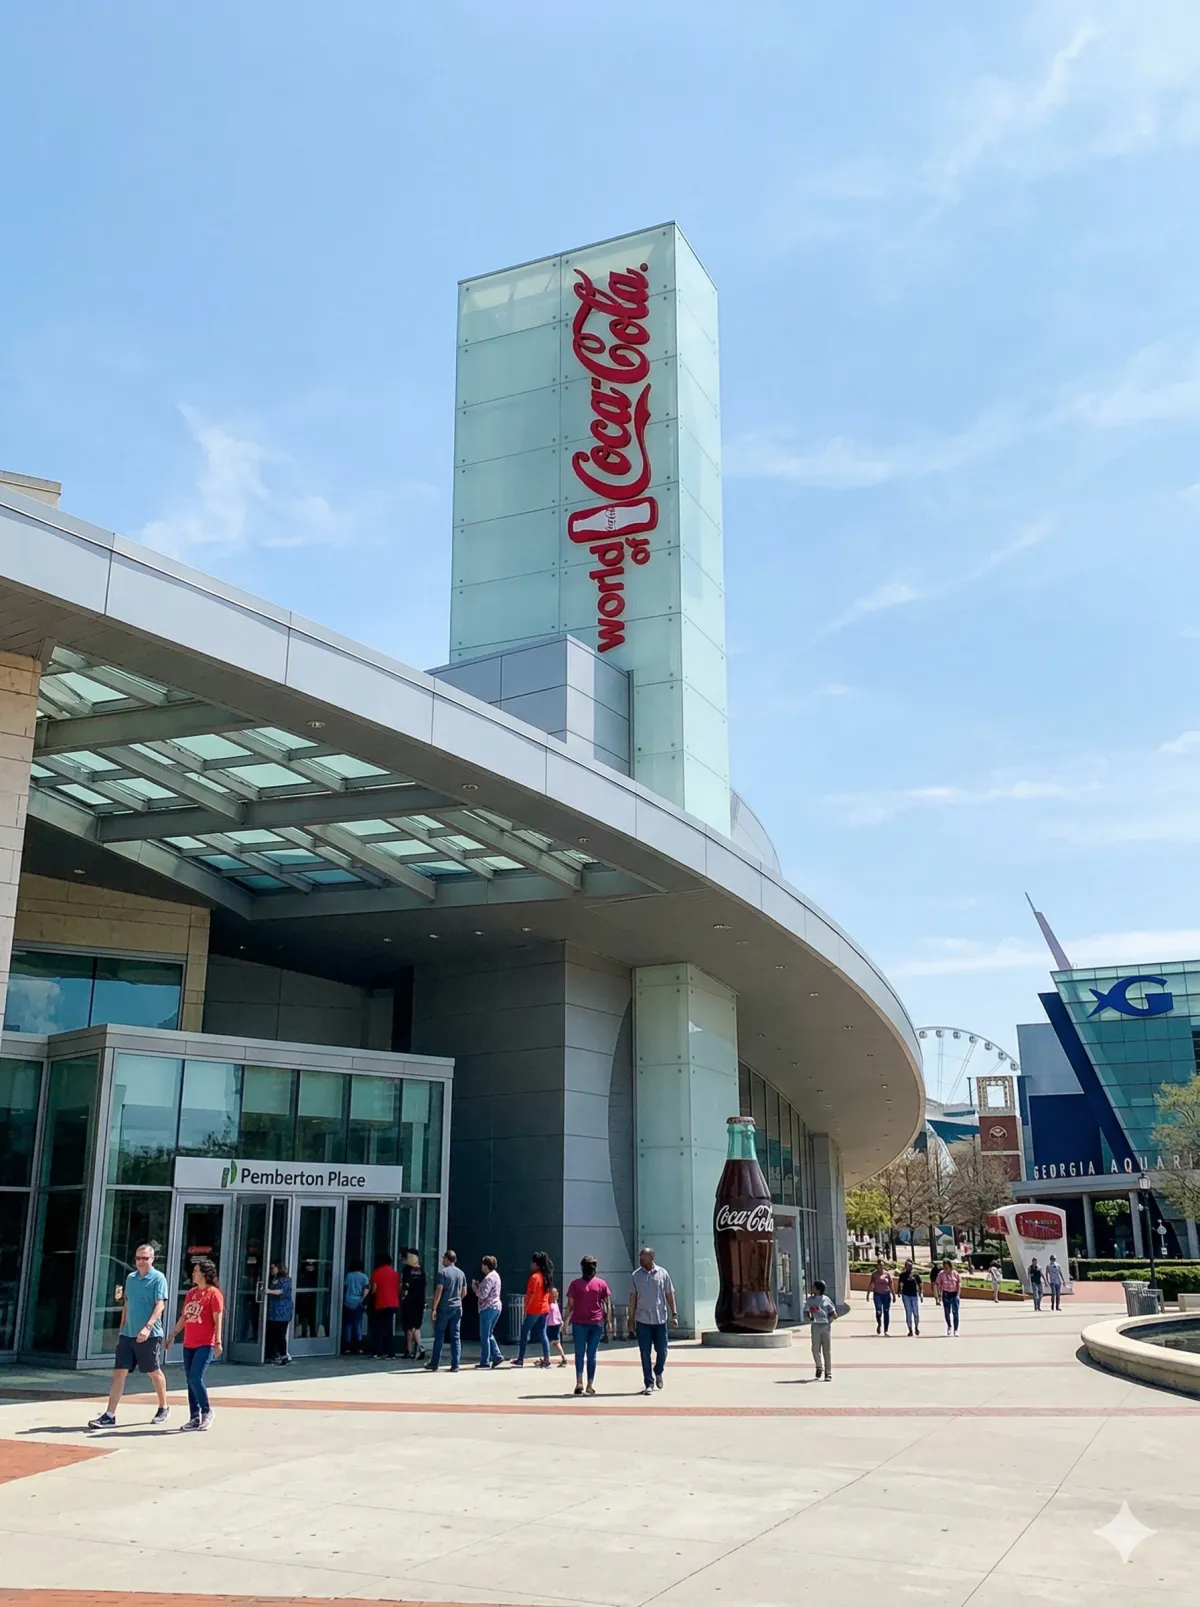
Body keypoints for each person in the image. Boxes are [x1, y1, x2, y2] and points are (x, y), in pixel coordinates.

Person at [88, 1243, 170, 1429]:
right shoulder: (131, 1278)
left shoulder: (158, 1278)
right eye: (138, 1258)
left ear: (152, 1259)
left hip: (149, 1335)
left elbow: (160, 1305)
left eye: (145, 1258)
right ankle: (109, 1415)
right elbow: (127, 1304)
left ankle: (163, 1406)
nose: (141, 1262)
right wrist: (122, 1328)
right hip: (128, 1334)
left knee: (153, 1371)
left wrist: (148, 1327)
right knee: (119, 1373)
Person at [165, 1256, 224, 1431]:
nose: (193, 1273)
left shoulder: (214, 1294)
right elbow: (185, 1317)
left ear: (205, 1274)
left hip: (205, 1343)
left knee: (195, 1377)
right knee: (190, 1380)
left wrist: (218, 1342)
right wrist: (173, 1334)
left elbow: (218, 1320)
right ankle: (194, 1417)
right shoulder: (192, 1293)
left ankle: (207, 1411)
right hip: (189, 1342)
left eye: (196, 1270)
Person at [628, 1246, 677, 1395]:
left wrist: (674, 1314)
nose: (640, 1259)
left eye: (643, 1257)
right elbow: (632, 1299)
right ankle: (648, 1382)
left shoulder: (663, 1273)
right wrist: (631, 1320)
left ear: (651, 1258)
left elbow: (670, 1294)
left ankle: (658, 1370)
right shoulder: (636, 1276)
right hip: (642, 1320)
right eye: (640, 1256)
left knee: (662, 1351)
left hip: (660, 1319)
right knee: (644, 1353)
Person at [565, 1255, 611, 1396]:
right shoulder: (601, 1283)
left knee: (581, 1353)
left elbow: (570, 1306)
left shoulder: (575, 1284)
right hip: (593, 1322)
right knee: (591, 1354)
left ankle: (581, 1382)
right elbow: (608, 1304)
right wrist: (608, 1321)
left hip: (584, 1323)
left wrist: (565, 1322)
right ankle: (588, 1384)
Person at [426, 1249, 466, 1371]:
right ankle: (455, 1364)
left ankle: (434, 1362)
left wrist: (434, 1308)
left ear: (448, 1259)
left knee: (439, 1335)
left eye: (444, 1258)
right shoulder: (461, 1273)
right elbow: (464, 1292)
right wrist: (457, 1299)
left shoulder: (443, 1273)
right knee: (455, 1336)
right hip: (457, 1307)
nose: (442, 1260)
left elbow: (439, 1291)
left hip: (444, 1307)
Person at [513, 1250, 554, 1368]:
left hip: (534, 1309)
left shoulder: (534, 1278)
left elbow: (530, 1295)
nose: (531, 1264)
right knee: (543, 1333)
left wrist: (525, 1308)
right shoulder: (547, 1277)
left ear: (537, 1264)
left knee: (524, 1332)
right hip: (544, 1309)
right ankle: (547, 1360)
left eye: (532, 1263)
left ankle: (520, 1358)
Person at [472, 1254, 504, 1368]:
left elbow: (483, 1294)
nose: (481, 1266)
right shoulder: (496, 1276)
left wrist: (475, 1288)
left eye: (483, 1264)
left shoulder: (489, 1277)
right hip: (496, 1307)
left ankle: (485, 1361)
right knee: (489, 1333)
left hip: (488, 1308)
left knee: (484, 1335)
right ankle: (497, 1356)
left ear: (486, 1266)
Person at [803, 1277, 837, 1380]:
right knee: (815, 1349)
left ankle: (828, 1373)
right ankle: (819, 1366)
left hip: (825, 1326)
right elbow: (806, 1311)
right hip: (815, 1326)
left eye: (813, 1287)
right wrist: (809, 1317)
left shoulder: (826, 1299)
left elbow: (834, 1313)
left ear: (818, 1289)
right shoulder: (810, 1300)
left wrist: (829, 1320)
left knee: (827, 1350)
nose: (812, 1289)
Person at [369, 1251, 401, 1360]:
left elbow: (374, 1289)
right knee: (389, 1328)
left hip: (381, 1303)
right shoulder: (395, 1273)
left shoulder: (376, 1272)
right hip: (393, 1303)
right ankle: (391, 1352)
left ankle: (379, 1351)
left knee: (378, 1328)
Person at [401, 1249, 427, 1360]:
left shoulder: (406, 1270)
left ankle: (411, 1350)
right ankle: (417, 1349)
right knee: (416, 1326)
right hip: (420, 1301)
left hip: (409, 1301)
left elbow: (405, 1286)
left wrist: (402, 1296)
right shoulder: (422, 1271)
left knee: (408, 1327)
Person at [265, 1262, 293, 1364]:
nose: (272, 1270)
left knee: (280, 1334)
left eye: (273, 1268)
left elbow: (282, 1291)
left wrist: (269, 1291)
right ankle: (271, 1354)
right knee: (271, 1333)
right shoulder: (272, 1279)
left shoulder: (286, 1279)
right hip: (273, 1311)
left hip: (283, 1311)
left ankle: (284, 1355)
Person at [342, 1259, 370, 1355]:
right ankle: (359, 1347)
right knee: (357, 1324)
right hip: (359, 1302)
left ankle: (347, 1347)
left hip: (348, 1301)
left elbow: (345, 1288)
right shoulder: (364, 1277)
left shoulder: (348, 1276)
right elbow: (366, 1289)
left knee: (348, 1325)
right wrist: (363, 1300)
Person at [934, 1257, 962, 1336]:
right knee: (947, 1312)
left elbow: (959, 1283)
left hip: (954, 1294)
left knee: (955, 1313)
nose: (946, 1269)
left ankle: (956, 1329)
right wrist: (938, 1295)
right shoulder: (941, 1274)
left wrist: (958, 1295)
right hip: (946, 1294)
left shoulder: (955, 1274)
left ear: (950, 1266)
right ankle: (949, 1326)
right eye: (944, 1267)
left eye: (947, 1267)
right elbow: (938, 1284)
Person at [868, 1258, 894, 1336]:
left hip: (886, 1294)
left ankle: (886, 1330)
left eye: (882, 1265)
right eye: (879, 1265)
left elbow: (891, 1285)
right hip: (877, 1294)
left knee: (886, 1312)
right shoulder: (874, 1274)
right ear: (877, 1266)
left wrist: (894, 1295)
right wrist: (868, 1294)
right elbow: (871, 1284)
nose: (880, 1267)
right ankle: (879, 1323)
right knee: (878, 1310)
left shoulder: (887, 1274)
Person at [897, 1259, 922, 1337]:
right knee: (908, 1312)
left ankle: (916, 1327)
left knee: (916, 1313)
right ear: (905, 1266)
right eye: (908, 1266)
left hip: (914, 1295)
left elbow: (920, 1284)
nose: (909, 1267)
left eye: (911, 1266)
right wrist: (899, 1291)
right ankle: (910, 1330)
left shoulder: (916, 1275)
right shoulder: (902, 1275)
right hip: (906, 1295)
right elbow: (900, 1284)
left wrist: (921, 1294)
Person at [546, 1286, 567, 1367]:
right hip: (556, 1325)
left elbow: (549, 1316)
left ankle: (546, 1358)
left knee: (550, 1342)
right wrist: (561, 1322)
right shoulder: (555, 1304)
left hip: (552, 1326)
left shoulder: (551, 1305)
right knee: (556, 1343)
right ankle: (563, 1358)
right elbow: (558, 1315)